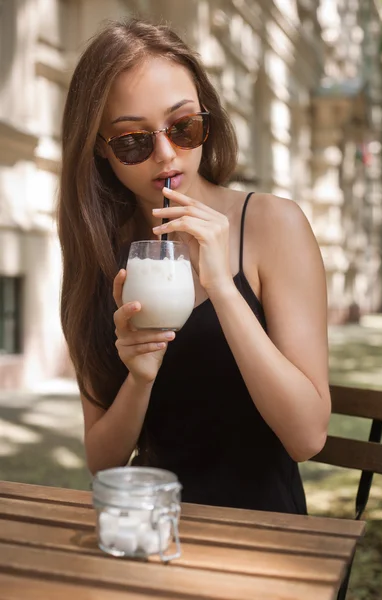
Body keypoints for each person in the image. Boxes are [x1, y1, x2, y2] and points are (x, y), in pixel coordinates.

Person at [58, 17, 331, 514]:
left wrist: (223, 289)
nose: (166, 155)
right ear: (101, 152)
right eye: (133, 141)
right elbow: (103, 461)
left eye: (183, 127)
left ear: (209, 117)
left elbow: (307, 437)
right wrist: (140, 378)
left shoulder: (272, 224)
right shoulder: (99, 252)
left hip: (261, 529)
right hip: (148, 522)